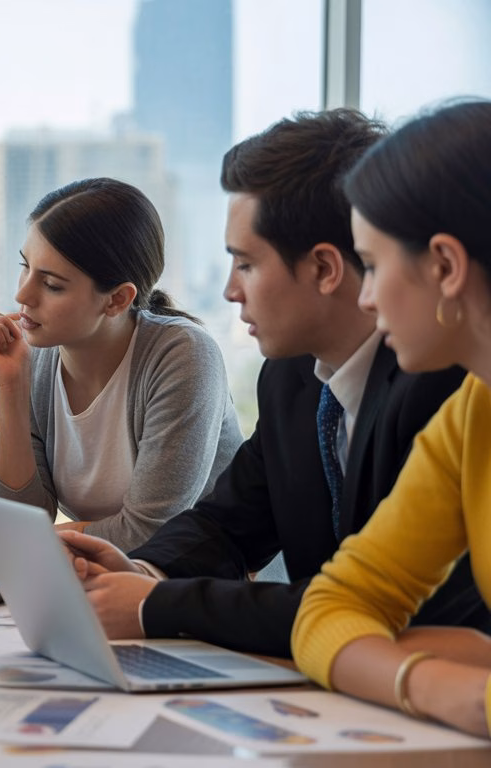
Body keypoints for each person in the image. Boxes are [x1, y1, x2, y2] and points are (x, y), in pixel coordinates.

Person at [57, 111, 487, 657]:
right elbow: (229, 522)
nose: (231, 292)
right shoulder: (291, 378)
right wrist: (143, 569)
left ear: (326, 269)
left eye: (246, 264)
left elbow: (390, 611)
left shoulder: (444, 386)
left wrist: (154, 604)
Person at [293, 100, 491, 737]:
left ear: (445, 266)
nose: (366, 295)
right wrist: (443, 687)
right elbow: (331, 608)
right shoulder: (473, 412)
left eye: (373, 265)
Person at [0, 177, 241, 551]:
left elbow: (148, 533)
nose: (22, 294)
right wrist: (10, 387)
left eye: (51, 284)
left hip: (222, 586)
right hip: (114, 580)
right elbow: (16, 520)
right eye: (25, 267)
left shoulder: (183, 356)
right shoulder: (29, 359)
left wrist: (32, 542)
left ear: (117, 299)